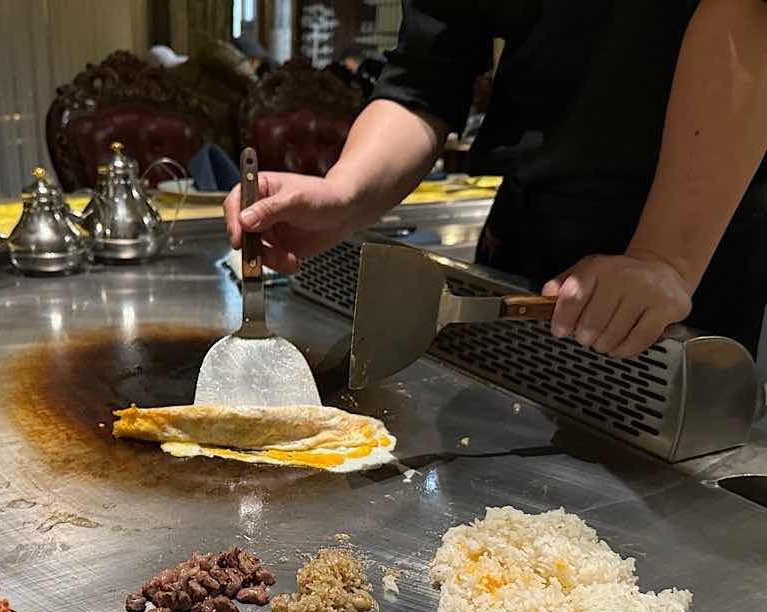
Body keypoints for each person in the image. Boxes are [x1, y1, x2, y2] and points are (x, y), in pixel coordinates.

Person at [224, 2, 767, 359]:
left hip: (696, 232)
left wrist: (665, 259)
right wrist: (344, 192)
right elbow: (427, 75)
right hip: (529, 228)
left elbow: (746, 16)